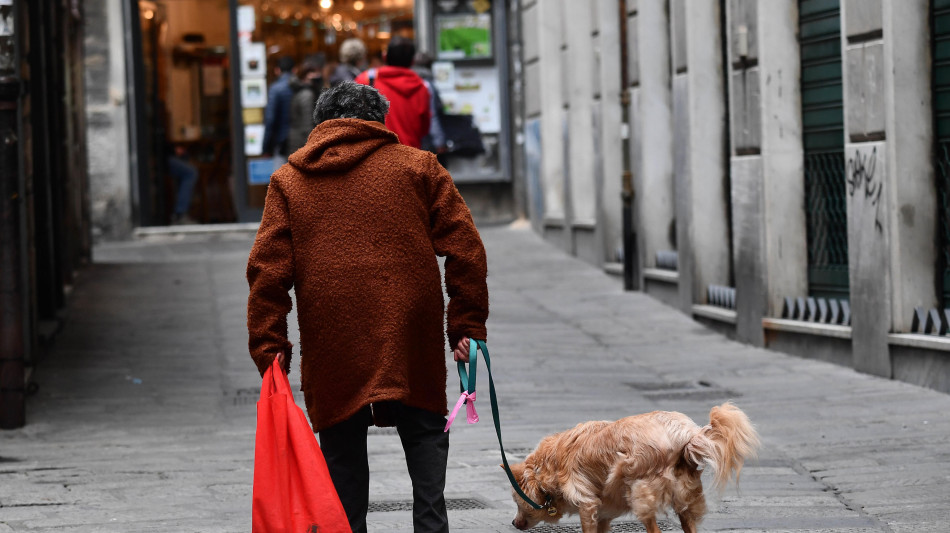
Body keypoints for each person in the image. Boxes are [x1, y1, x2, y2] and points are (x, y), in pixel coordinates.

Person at [246, 81, 489, 533]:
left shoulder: (290, 179)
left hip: (333, 331)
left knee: (341, 450)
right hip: (408, 327)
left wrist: (269, 344)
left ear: (321, 124)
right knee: (423, 434)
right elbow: (467, 249)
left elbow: (266, 270)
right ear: (380, 121)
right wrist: (466, 325)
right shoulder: (419, 167)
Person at [354, 36, 431, 149]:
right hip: (410, 156)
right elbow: (424, 129)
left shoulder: (365, 80)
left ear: (385, 57)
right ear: (412, 61)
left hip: (374, 157)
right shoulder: (422, 88)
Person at [286, 56, 325, 154]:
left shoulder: (300, 90)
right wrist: (312, 147)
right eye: (312, 73)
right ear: (305, 76)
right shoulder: (307, 94)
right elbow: (307, 124)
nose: (316, 76)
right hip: (302, 143)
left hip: (297, 141)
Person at [411, 51, 447, 154]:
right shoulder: (427, 85)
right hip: (426, 138)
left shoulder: (409, 81)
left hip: (411, 135)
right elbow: (432, 115)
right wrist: (439, 141)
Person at [262, 56, 295, 159]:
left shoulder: (275, 89)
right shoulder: (301, 86)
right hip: (300, 140)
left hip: (281, 142)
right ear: (294, 70)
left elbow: (270, 119)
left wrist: (266, 147)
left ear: (277, 70)